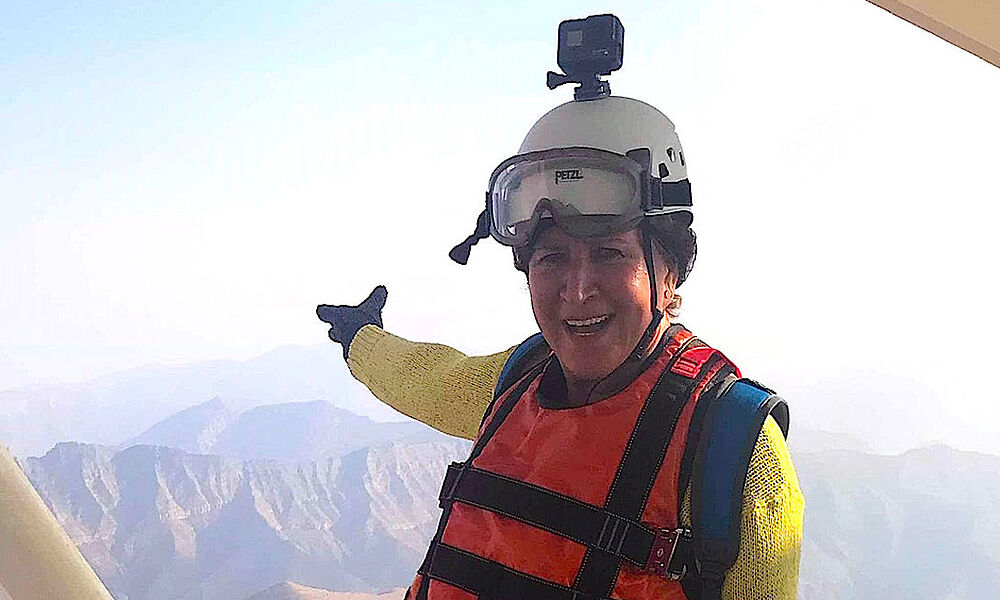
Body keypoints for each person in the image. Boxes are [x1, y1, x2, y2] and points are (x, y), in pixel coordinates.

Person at [317, 18, 803, 600]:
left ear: (669, 269)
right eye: (551, 258)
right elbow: (429, 379)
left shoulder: (737, 451)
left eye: (608, 253)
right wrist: (362, 339)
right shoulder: (516, 382)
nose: (576, 290)